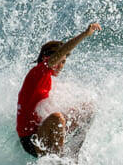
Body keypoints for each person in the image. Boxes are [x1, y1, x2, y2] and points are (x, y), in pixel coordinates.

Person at [16, 22, 101, 157]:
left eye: (64, 62)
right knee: (57, 118)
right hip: (31, 140)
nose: (61, 66)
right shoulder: (38, 72)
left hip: (43, 131)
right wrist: (85, 34)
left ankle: (74, 155)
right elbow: (62, 51)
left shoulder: (48, 77)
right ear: (46, 58)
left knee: (88, 109)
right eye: (60, 61)